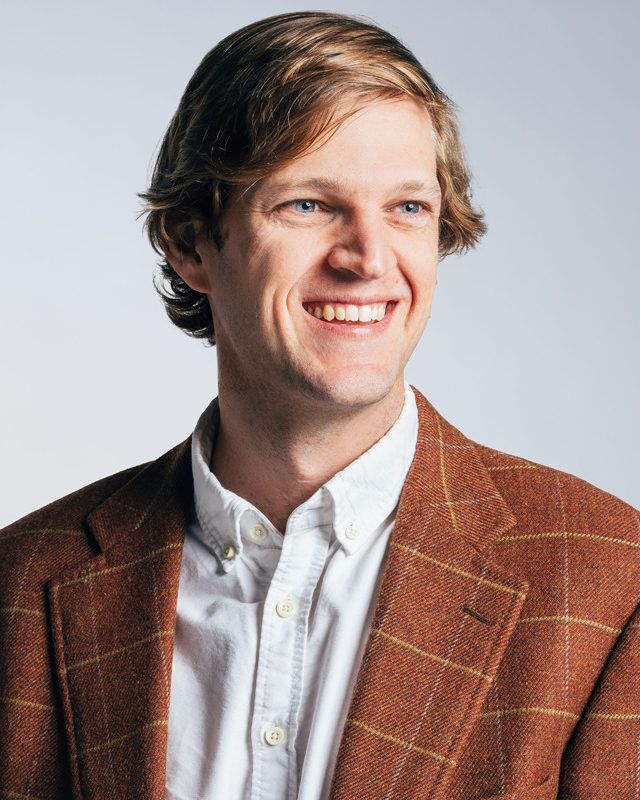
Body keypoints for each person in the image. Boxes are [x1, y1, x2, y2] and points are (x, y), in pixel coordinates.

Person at [0, 10, 637, 800]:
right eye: (308, 204)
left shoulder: (608, 581)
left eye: (407, 208)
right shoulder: (20, 584)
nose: (369, 258)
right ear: (192, 243)